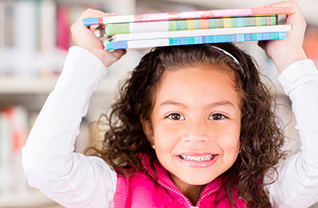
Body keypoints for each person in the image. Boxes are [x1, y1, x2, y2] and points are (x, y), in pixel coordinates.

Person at [22, 1, 318, 208]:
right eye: (175, 115)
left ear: (245, 123)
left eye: (218, 115)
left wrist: (290, 57)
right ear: (149, 128)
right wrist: (88, 61)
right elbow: (43, 166)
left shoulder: (267, 193)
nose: (197, 134)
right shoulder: (115, 192)